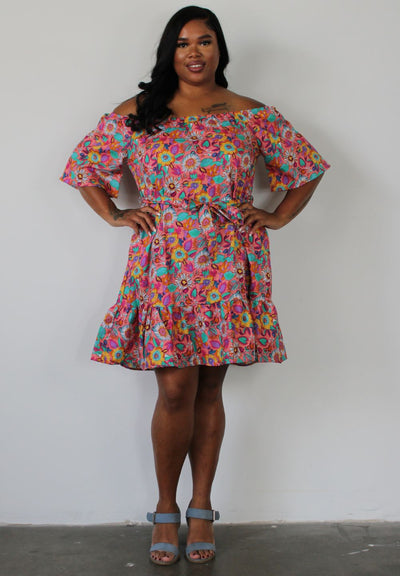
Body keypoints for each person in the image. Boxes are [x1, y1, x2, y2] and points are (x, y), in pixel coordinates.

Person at [60, 5, 330, 566]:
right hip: (165, 263)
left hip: (228, 261)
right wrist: (115, 213)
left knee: (209, 389)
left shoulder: (250, 113)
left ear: (219, 49)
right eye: (183, 43)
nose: (195, 52)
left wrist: (277, 216)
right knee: (175, 390)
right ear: (170, 52)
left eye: (205, 41)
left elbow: (307, 168)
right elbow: (83, 168)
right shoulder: (140, 112)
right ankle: (165, 507)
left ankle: (201, 506)